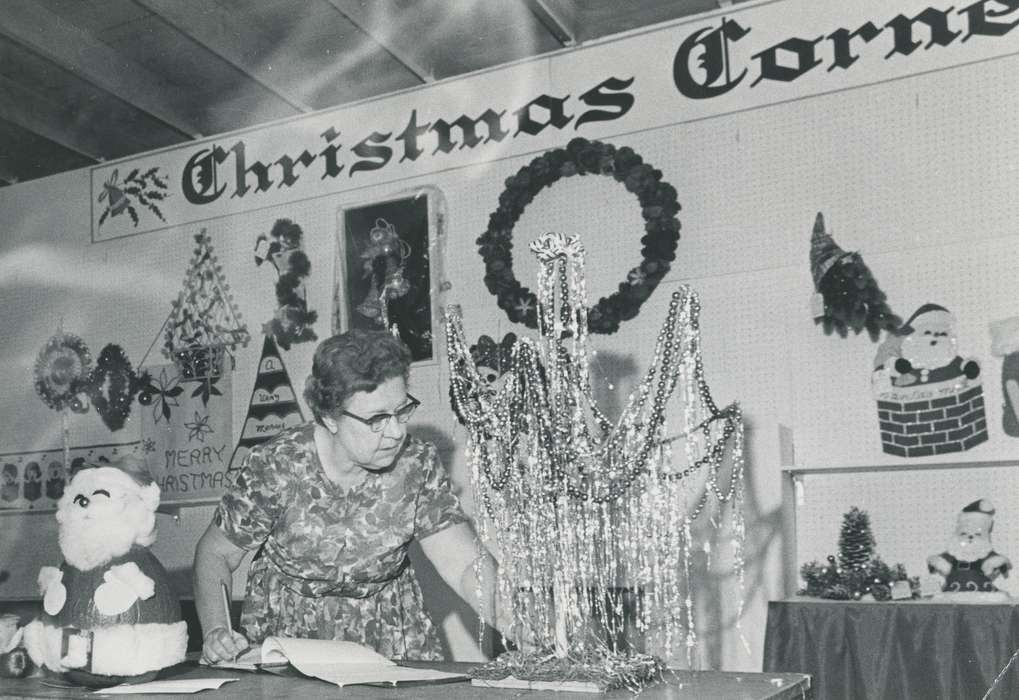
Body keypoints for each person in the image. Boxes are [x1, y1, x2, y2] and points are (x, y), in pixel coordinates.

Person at [194, 328, 498, 663]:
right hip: (291, 639)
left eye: (401, 411)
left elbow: (464, 565)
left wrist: (524, 625)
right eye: (377, 419)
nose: (397, 432)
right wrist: (216, 630)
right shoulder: (278, 465)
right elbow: (216, 554)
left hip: (389, 636)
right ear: (330, 417)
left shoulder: (416, 464)